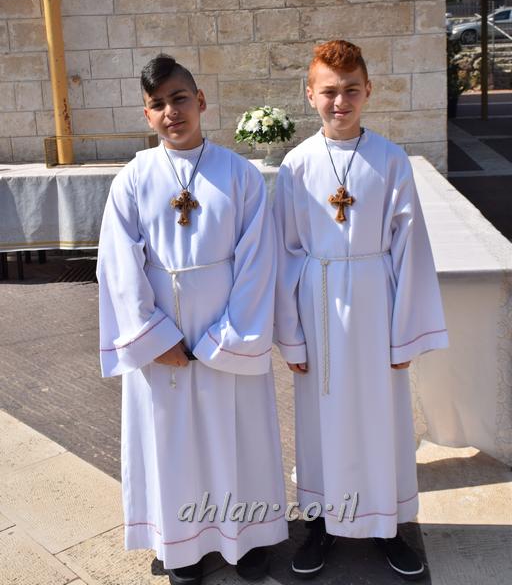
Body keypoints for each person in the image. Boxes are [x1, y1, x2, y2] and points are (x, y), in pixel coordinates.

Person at [97, 54, 288, 585]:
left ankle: (246, 539)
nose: (171, 112)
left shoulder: (240, 175)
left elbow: (259, 260)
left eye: (179, 98)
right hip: (163, 340)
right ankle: (179, 544)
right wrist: (154, 337)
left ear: (200, 101)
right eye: (157, 104)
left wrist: (227, 337)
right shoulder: (133, 179)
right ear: (147, 114)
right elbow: (118, 264)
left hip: (226, 332)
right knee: (171, 442)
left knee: (238, 438)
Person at [273, 40, 448, 581]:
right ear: (310, 95)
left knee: (381, 418)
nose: (340, 101)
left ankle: (387, 525)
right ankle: (322, 524)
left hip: (375, 306)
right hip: (318, 305)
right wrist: (291, 334)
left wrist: (405, 335)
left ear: (368, 91)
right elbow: (285, 252)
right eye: (329, 91)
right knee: (320, 421)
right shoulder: (296, 165)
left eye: (351, 90)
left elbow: (411, 248)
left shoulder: (390, 160)